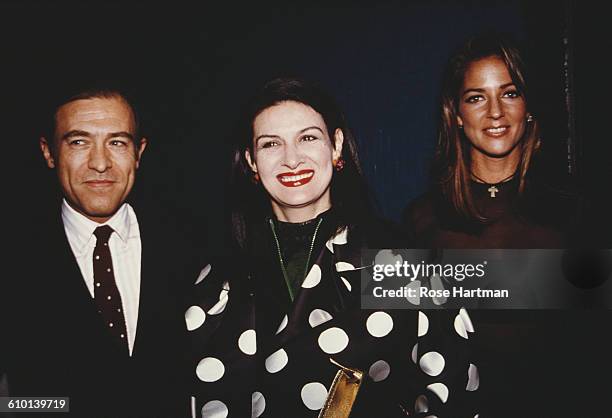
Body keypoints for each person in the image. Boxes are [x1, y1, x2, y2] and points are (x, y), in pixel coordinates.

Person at [187, 77, 479, 417]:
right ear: (252, 161)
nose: (291, 159)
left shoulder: (392, 259)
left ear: (336, 145)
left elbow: (452, 386)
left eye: (308, 137)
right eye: (270, 144)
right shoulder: (216, 281)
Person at [1, 87, 195, 417]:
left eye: (117, 142)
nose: (100, 163)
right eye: (79, 142)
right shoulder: (13, 261)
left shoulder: (194, 247)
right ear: (48, 153)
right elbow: (10, 403)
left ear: (139, 152)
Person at [403, 33, 578, 248]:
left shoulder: (575, 208)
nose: (495, 112)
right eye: (476, 98)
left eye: (510, 94)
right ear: (457, 114)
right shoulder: (422, 218)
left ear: (528, 107)